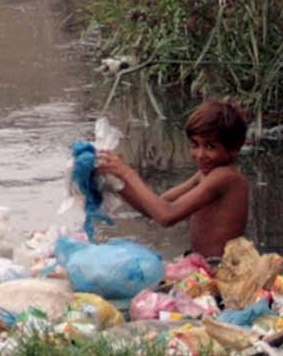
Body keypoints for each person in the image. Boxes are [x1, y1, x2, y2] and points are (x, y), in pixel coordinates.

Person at [93, 98, 252, 257]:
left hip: (219, 269)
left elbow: (166, 216)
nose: (200, 154)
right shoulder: (204, 175)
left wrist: (128, 173)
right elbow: (154, 209)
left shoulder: (226, 177)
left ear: (234, 150)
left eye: (210, 147)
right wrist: (116, 181)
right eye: (195, 145)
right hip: (201, 263)